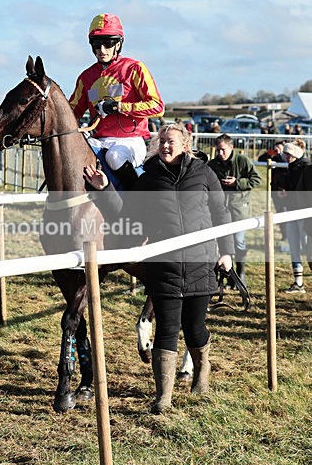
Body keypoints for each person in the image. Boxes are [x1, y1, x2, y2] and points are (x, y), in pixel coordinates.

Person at [83, 122, 234, 414]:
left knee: (194, 329)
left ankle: (201, 370)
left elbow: (220, 211)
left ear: (185, 145)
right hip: (163, 264)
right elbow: (127, 213)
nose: (165, 146)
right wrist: (105, 189)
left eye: (171, 142)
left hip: (200, 262)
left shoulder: (204, 173)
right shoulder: (150, 177)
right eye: (162, 141)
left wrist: (226, 252)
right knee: (166, 329)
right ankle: (163, 396)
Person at [69, 13, 164, 187]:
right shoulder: (85, 77)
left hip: (130, 141)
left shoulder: (134, 68)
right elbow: (70, 112)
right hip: (99, 141)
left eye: (108, 44)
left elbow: (157, 107)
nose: (102, 50)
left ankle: (137, 200)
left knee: (114, 157)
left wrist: (119, 107)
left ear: (118, 44)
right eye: (97, 45)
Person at [207, 134, 261, 285]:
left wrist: (237, 182)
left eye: (223, 150)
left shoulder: (242, 161)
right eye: (217, 150)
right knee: (219, 243)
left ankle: (240, 272)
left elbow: (257, 179)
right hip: (219, 209)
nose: (220, 153)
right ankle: (224, 274)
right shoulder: (212, 165)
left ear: (231, 148)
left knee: (238, 241)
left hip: (239, 208)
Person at [277, 141, 311, 292]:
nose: (286, 156)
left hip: (303, 213)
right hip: (292, 210)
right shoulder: (291, 168)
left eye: (288, 154)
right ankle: (298, 282)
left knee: (307, 248)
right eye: (285, 154)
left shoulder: (306, 168)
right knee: (294, 247)